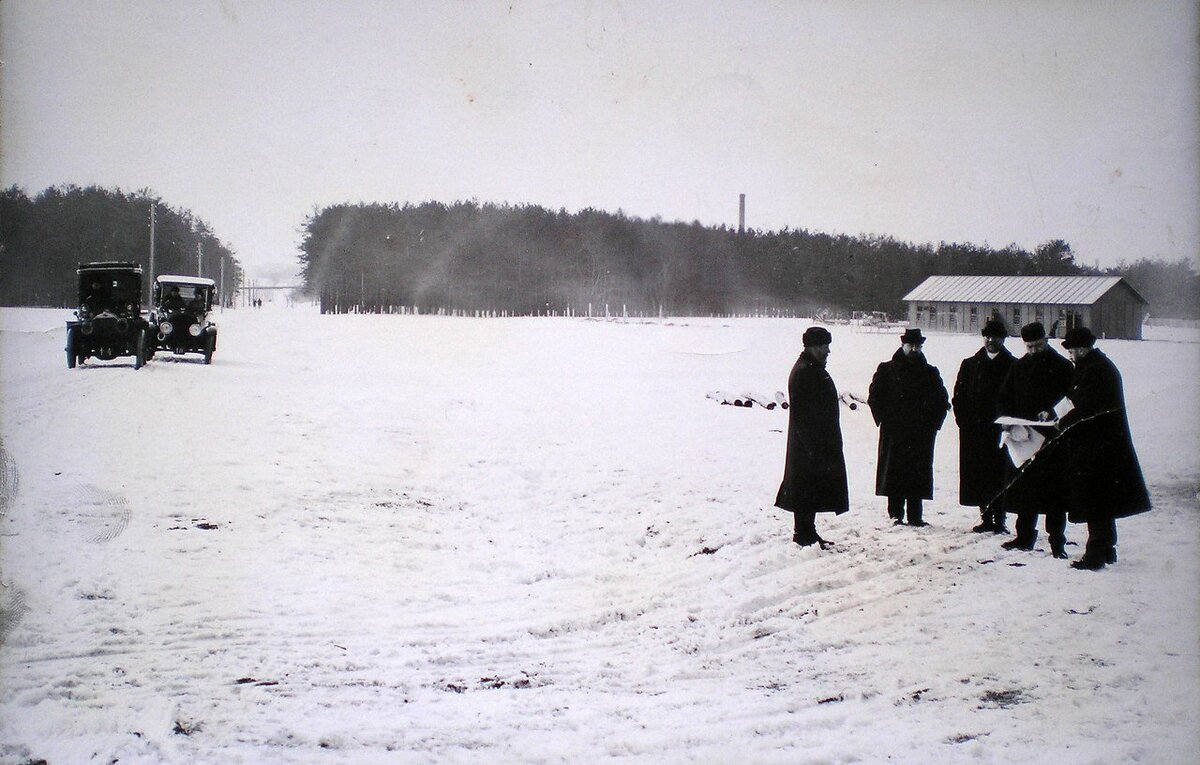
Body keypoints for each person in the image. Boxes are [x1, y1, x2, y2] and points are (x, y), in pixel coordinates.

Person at [1055, 327, 1151, 570]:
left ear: (1083, 349)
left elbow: (1085, 407)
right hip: (1100, 444)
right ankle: (1106, 549)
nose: (1071, 354)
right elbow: (1074, 400)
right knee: (1102, 499)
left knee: (1096, 499)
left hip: (1099, 447)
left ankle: (1095, 555)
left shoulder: (1096, 370)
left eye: (1073, 350)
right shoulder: (1092, 366)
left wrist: (1061, 423)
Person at [994, 321, 1074, 557]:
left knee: (1054, 496)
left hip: (1052, 441)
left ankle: (1057, 543)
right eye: (1029, 347)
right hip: (1024, 439)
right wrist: (1007, 421)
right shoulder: (1018, 367)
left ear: (1046, 340)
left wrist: (1051, 411)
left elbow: (1071, 397)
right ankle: (1024, 537)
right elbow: (1004, 397)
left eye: (1038, 346)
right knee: (1024, 491)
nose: (1033, 351)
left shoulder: (1062, 367)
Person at [774, 326, 849, 548]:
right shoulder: (805, 371)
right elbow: (804, 414)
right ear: (814, 347)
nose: (828, 351)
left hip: (812, 442)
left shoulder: (810, 368)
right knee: (806, 487)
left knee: (809, 488)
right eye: (825, 346)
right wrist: (814, 446)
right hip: (809, 443)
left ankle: (808, 531)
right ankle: (803, 533)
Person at [867, 328, 950, 527]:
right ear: (902, 345)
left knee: (917, 474)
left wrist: (933, 425)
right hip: (895, 432)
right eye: (910, 345)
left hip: (920, 433)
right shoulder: (887, 369)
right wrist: (884, 420)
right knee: (894, 473)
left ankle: (915, 516)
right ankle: (895, 514)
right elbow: (874, 397)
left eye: (917, 346)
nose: (914, 349)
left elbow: (942, 400)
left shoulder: (930, 372)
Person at [952, 319, 1015, 533]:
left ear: (1003, 339)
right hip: (974, 431)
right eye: (987, 337)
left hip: (1000, 432)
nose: (991, 341)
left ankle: (1001, 519)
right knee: (978, 475)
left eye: (995, 337)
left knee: (1000, 475)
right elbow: (958, 397)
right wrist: (963, 422)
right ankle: (986, 518)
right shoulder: (970, 364)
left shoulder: (1013, 365)